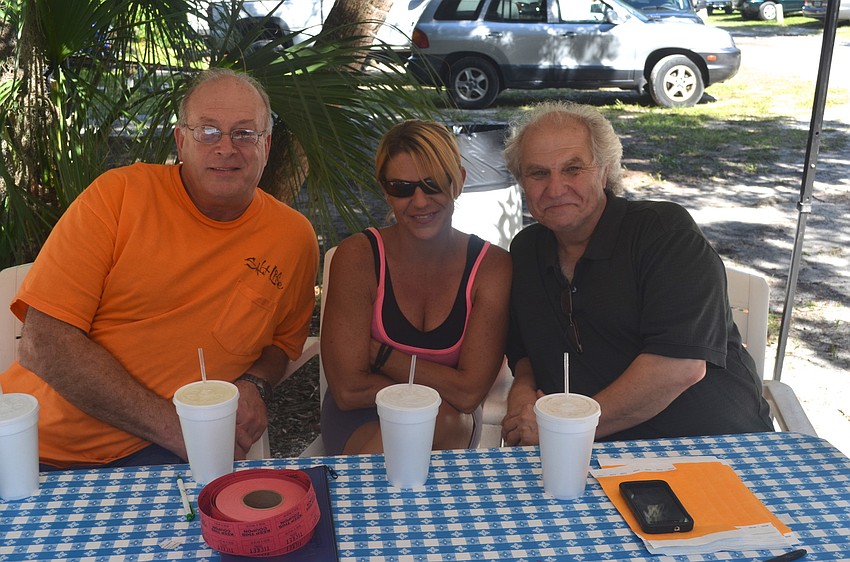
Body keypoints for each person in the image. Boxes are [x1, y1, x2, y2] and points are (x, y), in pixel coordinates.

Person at [0, 68, 319, 469]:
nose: (225, 148)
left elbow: (282, 343)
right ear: (180, 140)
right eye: (207, 131)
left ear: (267, 145)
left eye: (244, 133)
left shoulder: (293, 238)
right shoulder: (118, 196)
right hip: (38, 447)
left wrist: (255, 383)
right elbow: (42, 344)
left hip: (166, 457)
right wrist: (175, 429)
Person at [500, 101, 773, 446]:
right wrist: (522, 399)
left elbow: (679, 367)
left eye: (573, 169)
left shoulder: (663, 233)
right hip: (588, 454)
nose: (555, 189)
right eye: (538, 173)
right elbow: (524, 355)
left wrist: (566, 429)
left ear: (604, 170)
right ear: (521, 180)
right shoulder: (526, 250)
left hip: (710, 445)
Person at [319, 119, 512, 455]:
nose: (420, 201)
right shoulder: (359, 257)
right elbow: (348, 390)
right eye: (402, 188)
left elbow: (469, 394)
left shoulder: (491, 267)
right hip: (362, 418)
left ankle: (371, 504)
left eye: (432, 184)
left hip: (451, 417)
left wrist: (380, 354)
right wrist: (443, 384)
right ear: (384, 190)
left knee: (435, 424)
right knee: (406, 442)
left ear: (459, 181)